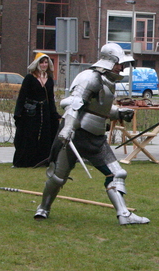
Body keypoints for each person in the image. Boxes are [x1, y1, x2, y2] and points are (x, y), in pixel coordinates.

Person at [34, 43, 149, 225]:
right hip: (76, 134)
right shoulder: (89, 78)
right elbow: (74, 104)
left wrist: (118, 113)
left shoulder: (107, 81)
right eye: (120, 64)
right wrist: (67, 129)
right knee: (57, 177)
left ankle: (124, 215)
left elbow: (98, 109)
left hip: (95, 137)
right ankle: (43, 208)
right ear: (111, 62)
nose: (122, 68)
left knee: (117, 173)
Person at [12, 53, 61, 167]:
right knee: (29, 136)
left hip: (45, 111)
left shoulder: (49, 80)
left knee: (45, 135)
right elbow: (22, 96)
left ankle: (41, 160)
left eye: (46, 62)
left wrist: (54, 114)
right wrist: (18, 113)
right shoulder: (30, 78)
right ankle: (24, 161)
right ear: (37, 63)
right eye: (41, 62)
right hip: (30, 112)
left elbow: (51, 98)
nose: (44, 65)